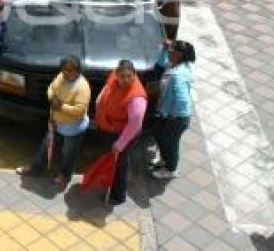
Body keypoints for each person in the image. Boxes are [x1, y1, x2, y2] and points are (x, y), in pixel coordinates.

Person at [17, 56, 90, 185]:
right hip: (56, 122)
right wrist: (52, 98)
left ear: (78, 71)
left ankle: (64, 176)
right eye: (64, 70)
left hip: (73, 128)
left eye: (70, 70)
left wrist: (61, 106)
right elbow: (51, 88)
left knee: (68, 153)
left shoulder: (82, 87)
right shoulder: (61, 77)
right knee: (45, 147)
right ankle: (35, 168)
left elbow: (79, 111)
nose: (66, 73)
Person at [95, 59, 147, 205]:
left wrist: (119, 144)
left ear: (134, 75)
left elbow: (135, 125)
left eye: (129, 76)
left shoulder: (136, 98)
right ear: (116, 73)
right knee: (111, 161)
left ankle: (118, 196)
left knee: (120, 165)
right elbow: (107, 88)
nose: (125, 80)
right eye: (122, 76)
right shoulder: (113, 76)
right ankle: (106, 184)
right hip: (108, 128)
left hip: (123, 136)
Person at [150, 40, 195, 179]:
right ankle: (164, 160)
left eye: (171, 49)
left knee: (169, 143)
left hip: (176, 118)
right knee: (157, 133)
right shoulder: (176, 65)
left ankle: (170, 169)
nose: (169, 51)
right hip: (167, 114)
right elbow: (161, 64)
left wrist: (171, 114)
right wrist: (164, 50)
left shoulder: (177, 76)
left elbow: (181, 101)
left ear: (178, 54)